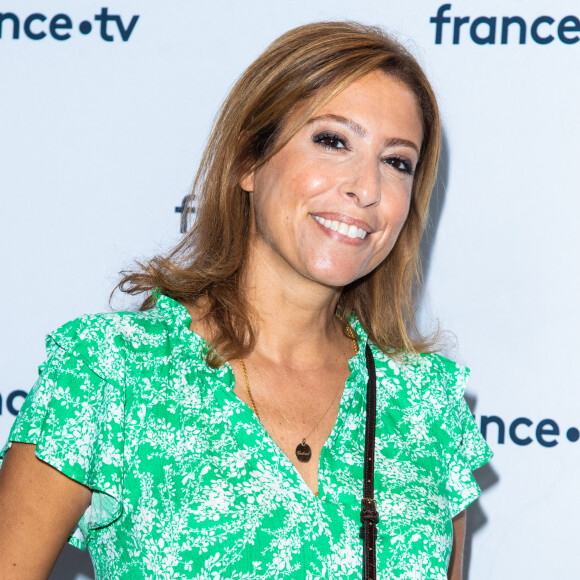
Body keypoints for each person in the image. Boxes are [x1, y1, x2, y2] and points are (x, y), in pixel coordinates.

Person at [0, 21, 492, 580]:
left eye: (397, 161)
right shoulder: (111, 371)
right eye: (333, 141)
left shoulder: (427, 406)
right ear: (247, 161)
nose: (367, 188)